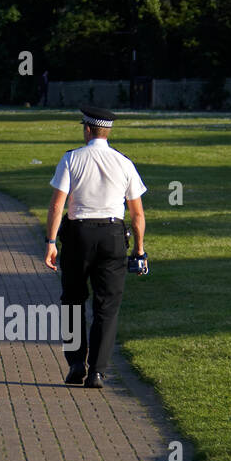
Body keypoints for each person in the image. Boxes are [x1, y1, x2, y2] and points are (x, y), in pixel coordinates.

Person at [44, 104, 148, 389]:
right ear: (107, 131)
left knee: (73, 300)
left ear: (87, 129)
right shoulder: (124, 163)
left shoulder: (71, 159)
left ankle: (76, 362)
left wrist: (51, 241)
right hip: (113, 235)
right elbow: (137, 214)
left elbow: (57, 204)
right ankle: (98, 371)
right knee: (107, 306)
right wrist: (139, 250)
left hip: (78, 234)